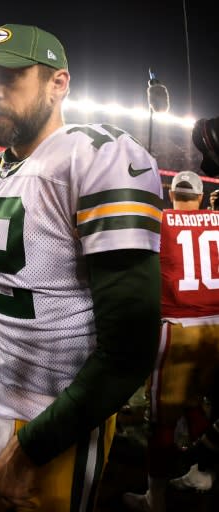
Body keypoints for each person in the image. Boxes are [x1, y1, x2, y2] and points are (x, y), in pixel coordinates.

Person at [0, 23, 163, 512]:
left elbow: (130, 348)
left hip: (55, 422)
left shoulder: (98, 155)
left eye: (11, 77)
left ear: (58, 83)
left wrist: (35, 445)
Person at [123, 170, 219, 511]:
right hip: (216, 328)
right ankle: (204, 471)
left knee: (162, 421)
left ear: (171, 193)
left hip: (179, 325)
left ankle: (156, 499)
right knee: (195, 401)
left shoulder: (160, 221)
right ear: (200, 194)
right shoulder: (217, 220)